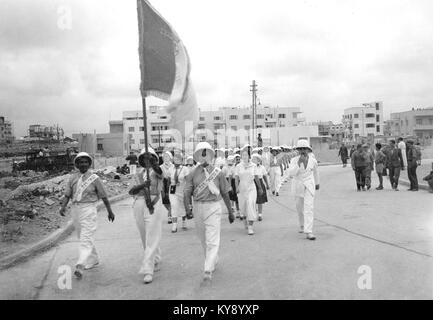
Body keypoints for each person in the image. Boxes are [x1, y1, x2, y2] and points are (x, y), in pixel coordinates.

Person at [184, 142, 235, 282]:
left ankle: (207, 268)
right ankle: (213, 259)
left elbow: (225, 193)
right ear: (197, 156)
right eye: (201, 154)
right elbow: (187, 191)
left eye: (206, 153)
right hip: (198, 207)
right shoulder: (192, 173)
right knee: (203, 239)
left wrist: (230, 211)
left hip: (213, 206)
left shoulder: (218, 173)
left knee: (212, 239)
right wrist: (187, 208)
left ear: (211, 155)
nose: (204, 157)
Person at [59, 152, 115, 279]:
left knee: (86, 236)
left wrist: (109, 211)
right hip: (75, 210)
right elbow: (68, 194)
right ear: (77, 164)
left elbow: (104, 195)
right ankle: (94, 259)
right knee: (83, 236)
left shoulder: (94, 178)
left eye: (85, 162)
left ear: (89, 164)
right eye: (80, 162)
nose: (83, 164)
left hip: (88, 209)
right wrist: (63, 207)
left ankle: (80, 264)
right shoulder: (72, 178)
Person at [128, 147, 164, 284]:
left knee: (152, 234)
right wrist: (142, 185)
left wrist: (154, 162)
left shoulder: (158, 171)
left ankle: (148, 269)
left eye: (149, 158)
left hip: (153, 203)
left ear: (154, 159)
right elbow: (131, 191)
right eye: (144, 158)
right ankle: (155, 258)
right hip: (138, 203)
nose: (146, 161)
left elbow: (162, 174)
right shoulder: (138, 174)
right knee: (144, 234)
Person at [288, 140, 319, 240]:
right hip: (298, 185)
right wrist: (298, 163)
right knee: (299, 208)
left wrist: (317, 183)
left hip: (309, 185)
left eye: (304, 149)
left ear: (308, 149)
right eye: (300, 149)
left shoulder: (313, 160)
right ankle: (302, 224)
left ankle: (309, 231)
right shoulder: (294, 160)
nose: (302, 151)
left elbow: (315, 172)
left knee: (309, 208)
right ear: (297, 150)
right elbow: (291, 173)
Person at [234, 145, 263, 235]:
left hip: (251, 187)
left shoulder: (253, 166)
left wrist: (260, 188)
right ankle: (246, 220)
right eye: (243, 155)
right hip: (242, 187)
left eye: (246, 155)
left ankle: (250, 226)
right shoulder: (238, 166)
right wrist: (236, 187)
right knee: (243, 207)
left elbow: (256, 177)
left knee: (250, 203)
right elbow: (236, 178)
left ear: (249, 156)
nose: (244, 156)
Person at [168, 152, 191, 232]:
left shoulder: (185, 169)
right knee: (174, 205)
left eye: (178, 159)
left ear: (181, 160)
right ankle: (174, 225)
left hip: (182, 189)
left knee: (182, 206)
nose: (176, 160)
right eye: (175, 159)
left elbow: (188, 181)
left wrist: (188, 190)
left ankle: (184, 221)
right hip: (172, 190)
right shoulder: (170, 168)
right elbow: (168, 180)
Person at [252, 154, 269, 221]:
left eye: (257, 159)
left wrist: (267, 184)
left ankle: (260, 215)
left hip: (260, 182)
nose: (256, 161)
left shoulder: (262, 167)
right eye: (254, 159)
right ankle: (253, 213)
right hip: (252, 183)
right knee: (252, 200)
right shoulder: (251, 167)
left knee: (260, 200)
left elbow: (264, 176)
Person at [161, 151, 173, 224]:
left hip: (172, 184)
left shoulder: (173, 166)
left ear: (170, 158)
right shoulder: (161, 167)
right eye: (164, 156)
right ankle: (170, 210)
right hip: (163, 185)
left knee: (171, 200)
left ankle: (170, 216)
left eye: (167, 156)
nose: (166, 158)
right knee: (164, 201)